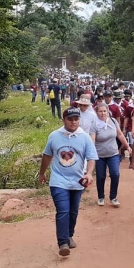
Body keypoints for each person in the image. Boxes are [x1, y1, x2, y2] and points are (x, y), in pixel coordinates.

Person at [38, 107, 97, 257]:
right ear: (63, 120)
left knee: (73, 212)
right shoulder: (54, 136)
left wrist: (89, 173)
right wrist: (42, 173)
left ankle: (69, 235)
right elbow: (47, 156)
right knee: (63, 210)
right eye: (70, 119)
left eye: (76, 119)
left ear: (79, 120)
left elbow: (91, 157)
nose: (73, 122)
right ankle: (63, 242)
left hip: (78, 181)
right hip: (58, 181)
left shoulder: (84, 138)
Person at [90, 103, 130, 207]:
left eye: (104, 111)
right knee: (101, 176)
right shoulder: (94, 124)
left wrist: (128, 146)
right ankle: (101, 197)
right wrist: (90, 154)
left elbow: (120, 135)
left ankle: (113, 197)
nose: (103, 113)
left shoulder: (113, 121)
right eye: (100, 111)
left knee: (115, 174)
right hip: (99, 156)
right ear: (96, 112)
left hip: (113, 154)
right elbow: (92, 141)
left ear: (108, 111)